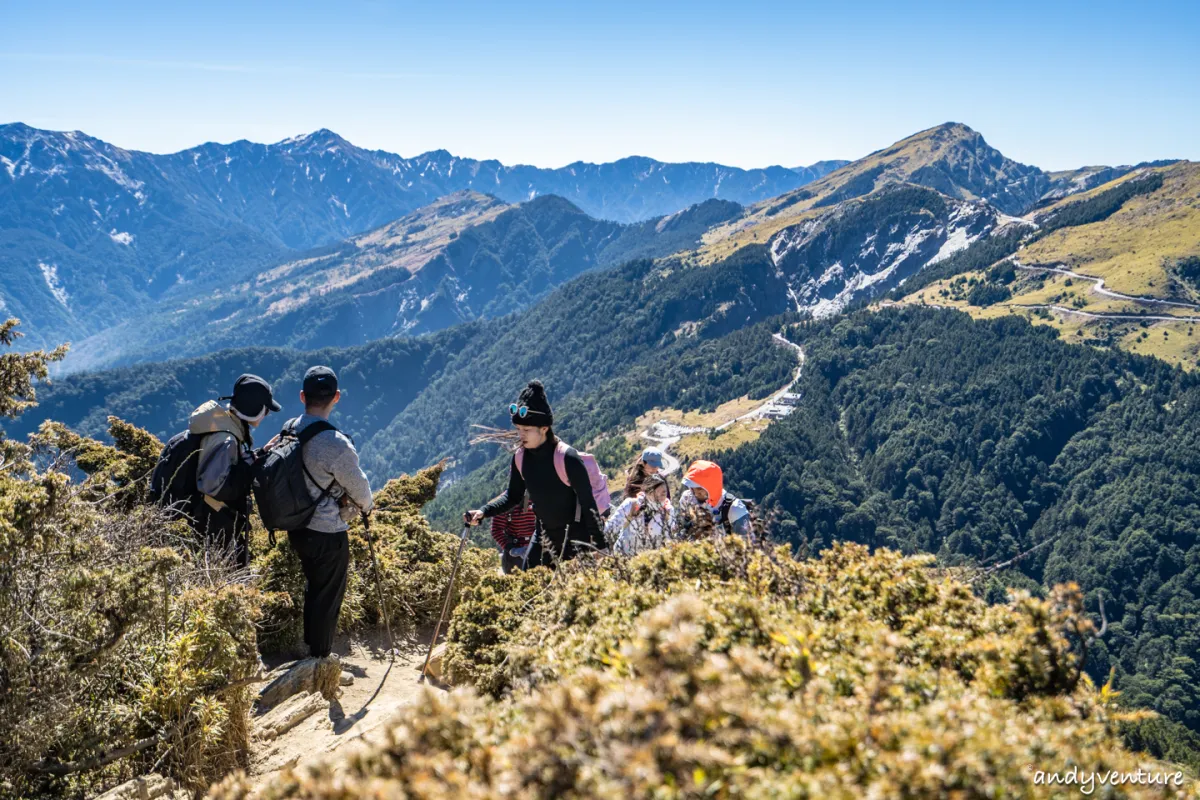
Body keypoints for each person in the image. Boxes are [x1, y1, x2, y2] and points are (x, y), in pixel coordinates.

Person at [283, 366, 374, 660]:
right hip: (327, 531)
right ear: (336, 397)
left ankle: (309, 649)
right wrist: (367, 507)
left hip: (295, 525)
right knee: (327, 596)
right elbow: (360, 490)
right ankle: (320, 660)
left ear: (302, 396)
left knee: (313, 588)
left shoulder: (288, 429)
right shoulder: (335, 443)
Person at [465, 380, 605, 568]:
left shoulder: (568, 458)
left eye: (526, 430)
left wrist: (600, 546)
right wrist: (483, 511)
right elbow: (513, 496)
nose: (520, 435)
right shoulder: (520, 458)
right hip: (543, 537)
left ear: (544, 428)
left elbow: (589, 505)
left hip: (575, 540)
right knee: (528, 590)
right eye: (518, 429)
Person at [169, 374, 281, 567]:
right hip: (214, 530)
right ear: (255, 409)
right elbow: (214, 486)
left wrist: (259, 454)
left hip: (205, 525)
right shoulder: (226, 439)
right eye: (266, 409)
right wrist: (251, 467)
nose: (267, 415)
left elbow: (228, 467)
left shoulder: (221, 427)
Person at [679, 460, 753, 539]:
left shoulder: (735, 509)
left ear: (711, 487)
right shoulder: (687, 498)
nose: (696, 493)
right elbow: (681, 528)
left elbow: (744, 545)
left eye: (699, 489)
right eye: (692, 488)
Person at [605, 473, 675, 556]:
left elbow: (670, 541)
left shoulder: (668, 511)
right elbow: (610, 528)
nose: (659, 497)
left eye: (663, 493)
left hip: (650, 562)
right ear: (647, 492)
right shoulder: (631, 505)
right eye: (655, 493)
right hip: (624, 558)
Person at [490, 493, 538, 574]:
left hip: (536, 550)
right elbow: (496, 529)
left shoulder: (538, 497)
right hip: (514, 556)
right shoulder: (505, 502)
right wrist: (511, 548)